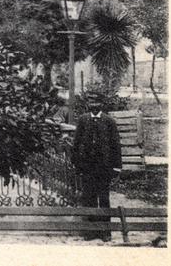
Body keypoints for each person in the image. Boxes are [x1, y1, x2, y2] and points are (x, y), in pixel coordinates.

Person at [71, 96, 122, 241]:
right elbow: (76, 143)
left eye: (97, 103)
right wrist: (76, 163)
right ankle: (90, 232)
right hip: (87, 167)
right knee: (89, 198)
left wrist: (117, 167)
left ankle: (106, 232)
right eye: (91, 102)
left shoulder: (109, 121)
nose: (94, 105)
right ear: (88, 104)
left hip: (104, 168)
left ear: (101, 104)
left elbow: (115, 145)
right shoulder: (83, 120)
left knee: (104, 199)